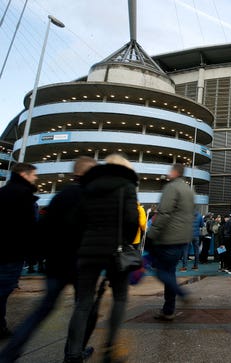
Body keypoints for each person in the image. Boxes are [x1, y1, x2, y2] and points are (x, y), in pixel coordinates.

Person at [0, 158, 96, 362]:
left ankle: (9, 353)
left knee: (42, 310)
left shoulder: (62, 194)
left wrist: (40, 255)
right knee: (86, 310)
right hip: (80, 263)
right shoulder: (91, 196)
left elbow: (44, 228)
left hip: (56, 262)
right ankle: (74, 353)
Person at [64, 154, 139, 363]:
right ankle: (110, 348)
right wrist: (125, 239)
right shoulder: (126, 186)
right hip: (116, 250)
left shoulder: (89, 187)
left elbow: (76, 219)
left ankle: (72, 354)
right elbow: (132, 220)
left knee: (82, 304)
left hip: (88, 251)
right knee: (120, 298)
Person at [146, 164, 195, 321]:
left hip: (168, 238)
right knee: (170, 272)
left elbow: (164, 213)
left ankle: (182, 294)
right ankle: (168, 310)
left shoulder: (171, 188)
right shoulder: (189, 191)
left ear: (174, 172)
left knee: (160, 271)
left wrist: (151, 234)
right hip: (183, 238)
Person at [0, 163, 38, 340]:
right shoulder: (23, 195)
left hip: (7, 249)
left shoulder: (4, 192)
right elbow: (28, 228)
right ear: (24, 174)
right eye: (33, 175)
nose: (35, 178)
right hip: (11, 252)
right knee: (3, 289)